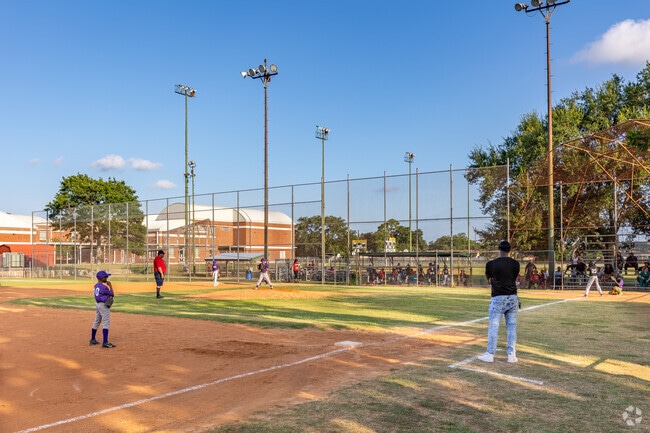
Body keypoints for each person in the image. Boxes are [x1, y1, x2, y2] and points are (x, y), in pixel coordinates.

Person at [478, 240, 520, 363]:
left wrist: (491, 280)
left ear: (499, 249)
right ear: (509, 250)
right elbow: (513, 277)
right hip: (512, 297)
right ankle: (512, 355)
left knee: (494, 326)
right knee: (511, 327)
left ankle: (490, 354)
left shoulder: (491, 264)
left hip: (498, 297)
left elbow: (488, 277)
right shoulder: (515, 264)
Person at [90, 270, 116, 348]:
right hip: (103, 306)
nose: (107, 278)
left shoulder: (96, 285)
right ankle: (105, 342)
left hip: (98, 305)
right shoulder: (104, 287)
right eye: (105, 277)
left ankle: (93, 339)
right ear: (102, 278)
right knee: (106, 323)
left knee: (97, 321)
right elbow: (112, 294)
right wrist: (110, 285)